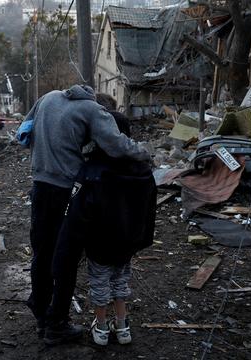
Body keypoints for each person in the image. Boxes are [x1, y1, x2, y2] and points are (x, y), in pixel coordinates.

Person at [25, 85, 150, 346]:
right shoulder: (93, 110)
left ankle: (40, 312)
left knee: (42, 250)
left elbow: (24, 130)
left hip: (39, 185)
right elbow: (116, 145)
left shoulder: (48, 98)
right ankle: (56, 324)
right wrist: (144, 153)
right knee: (66, 257)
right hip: (66, 191)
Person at [55, 93, 156, 347]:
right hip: (128, 243)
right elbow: (150, 209)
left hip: (100, 243)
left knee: (100, 283)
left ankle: (100, 328)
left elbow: (79, 213)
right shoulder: (143, 171)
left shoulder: (91, 171)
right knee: (121, 280)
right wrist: (142, 239)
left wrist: (73, 244)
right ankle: (123, 327)